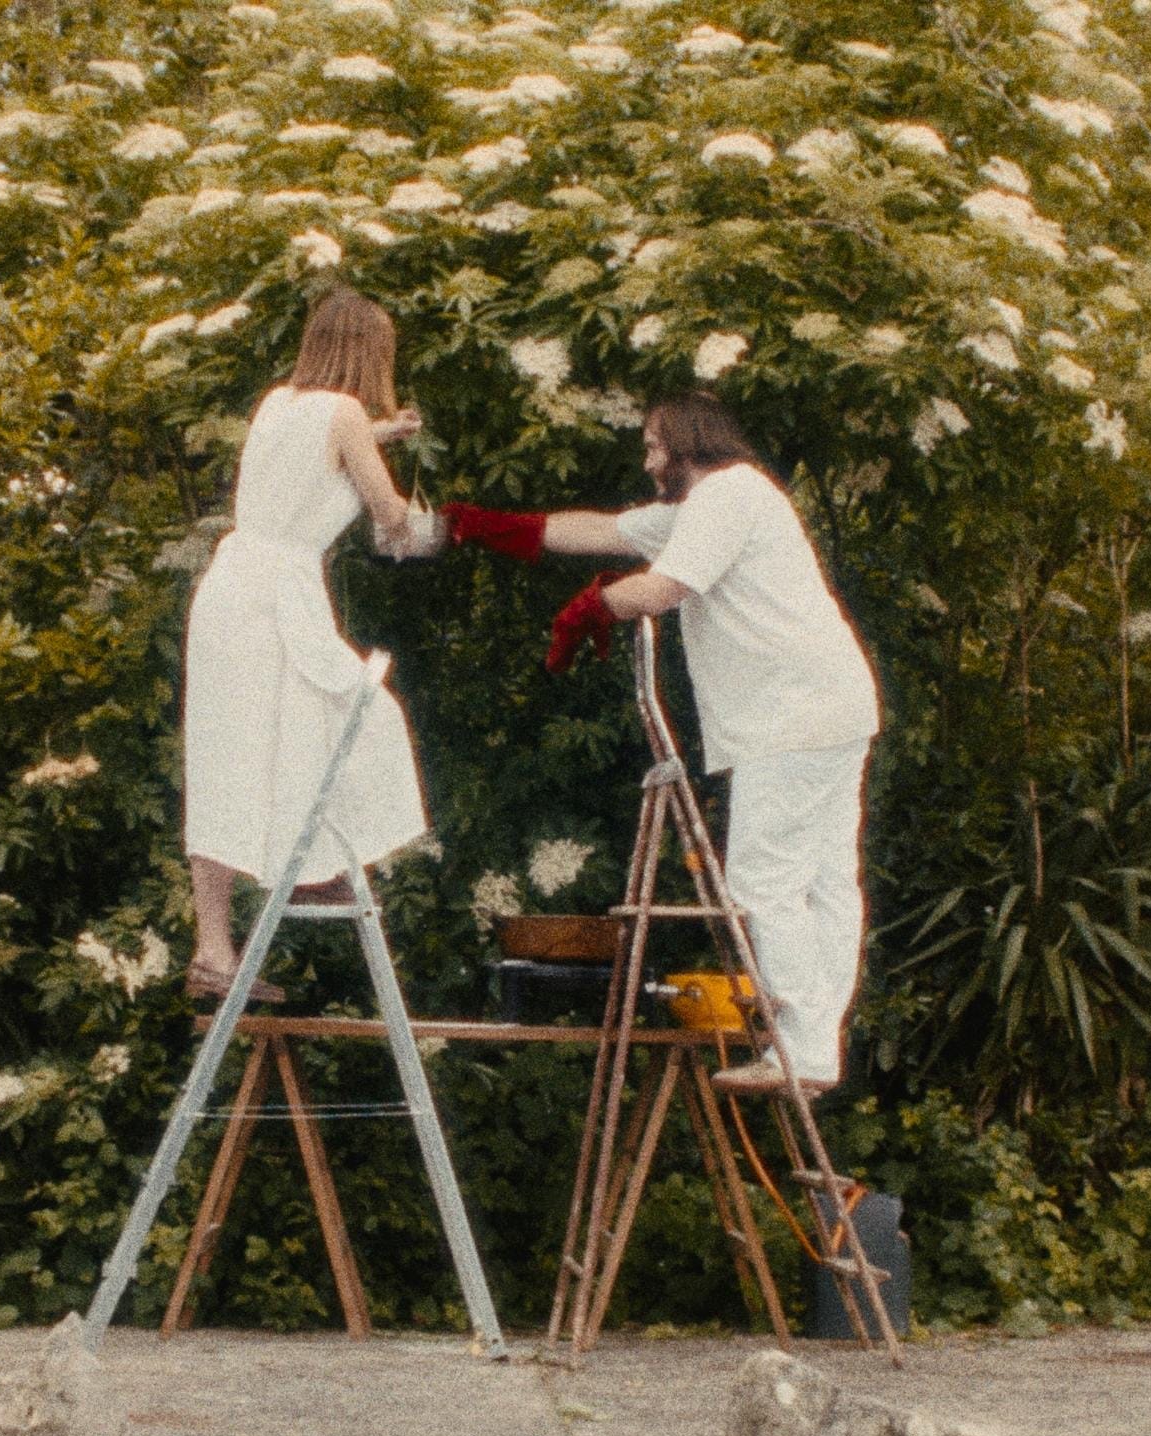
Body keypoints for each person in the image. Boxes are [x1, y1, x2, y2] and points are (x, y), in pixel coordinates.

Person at [443, 391, 880, 1094]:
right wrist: (489, 527)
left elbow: (662, 589)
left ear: (684, 443)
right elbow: (603, 530)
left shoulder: (727, 496)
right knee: (825, 881)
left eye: (653, 446)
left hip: (791, 714)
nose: (647, 461)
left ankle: (800, 1045)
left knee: (764, 881)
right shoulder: (708, 507)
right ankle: (817, 1045)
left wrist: (593, 605)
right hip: (826, 705)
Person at [182, 287, 429, 1000]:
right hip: (280, 594)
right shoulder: (346, 412)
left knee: (231, 749)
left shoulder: (276, 403)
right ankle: (323, 869)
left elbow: (310, 455)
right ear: (366, 352)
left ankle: (215, 947)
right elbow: (387, 516)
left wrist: (379, 438)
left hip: (231, 587)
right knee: (360, 716)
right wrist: (420, 529)